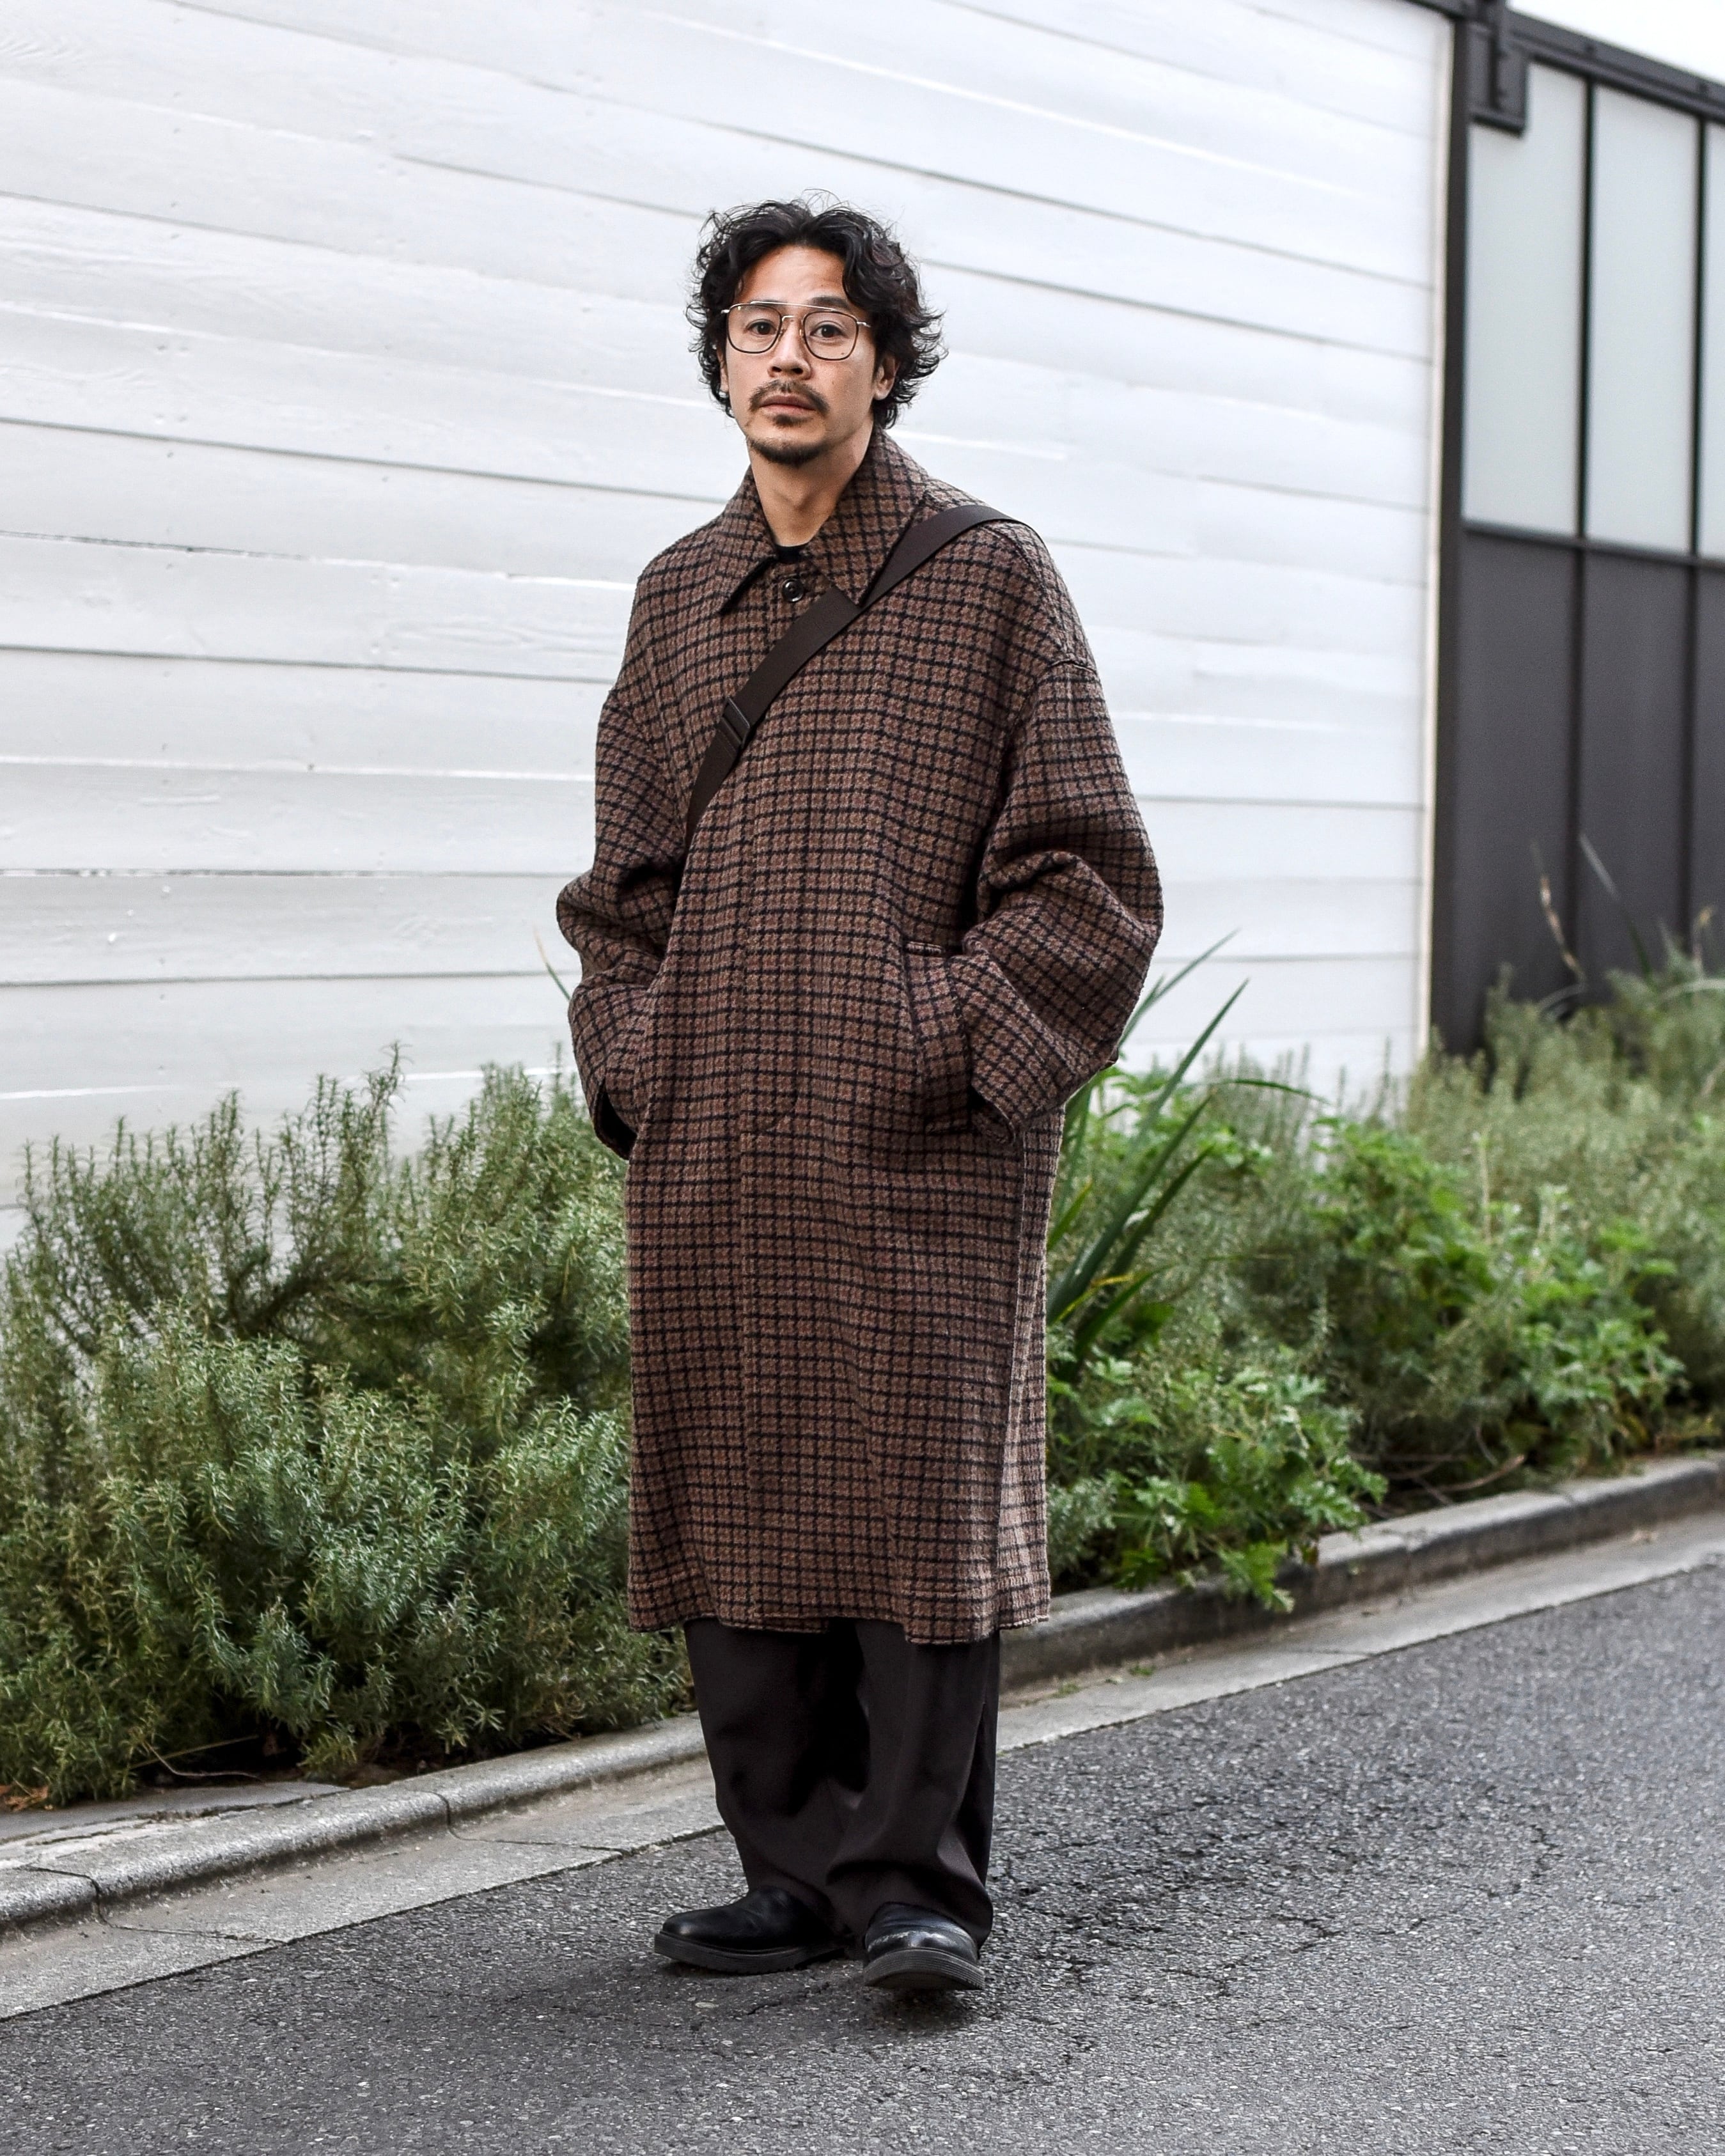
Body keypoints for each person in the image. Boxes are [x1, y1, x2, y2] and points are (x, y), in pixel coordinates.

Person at [557, 197, 1161, 1994]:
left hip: (922, 1141)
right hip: (720, 1134)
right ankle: (796, 1873)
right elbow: (620, 892)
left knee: (918, 1504)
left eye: (829, 329)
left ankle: (914, 1884)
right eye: (758, 327)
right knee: (738, 1480)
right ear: (719, 361)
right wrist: (640, 1057)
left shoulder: (988, 577)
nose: (789, 359)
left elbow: (1089, 878)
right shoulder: (677, 599)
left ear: (884, 366)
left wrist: (941, 1043)